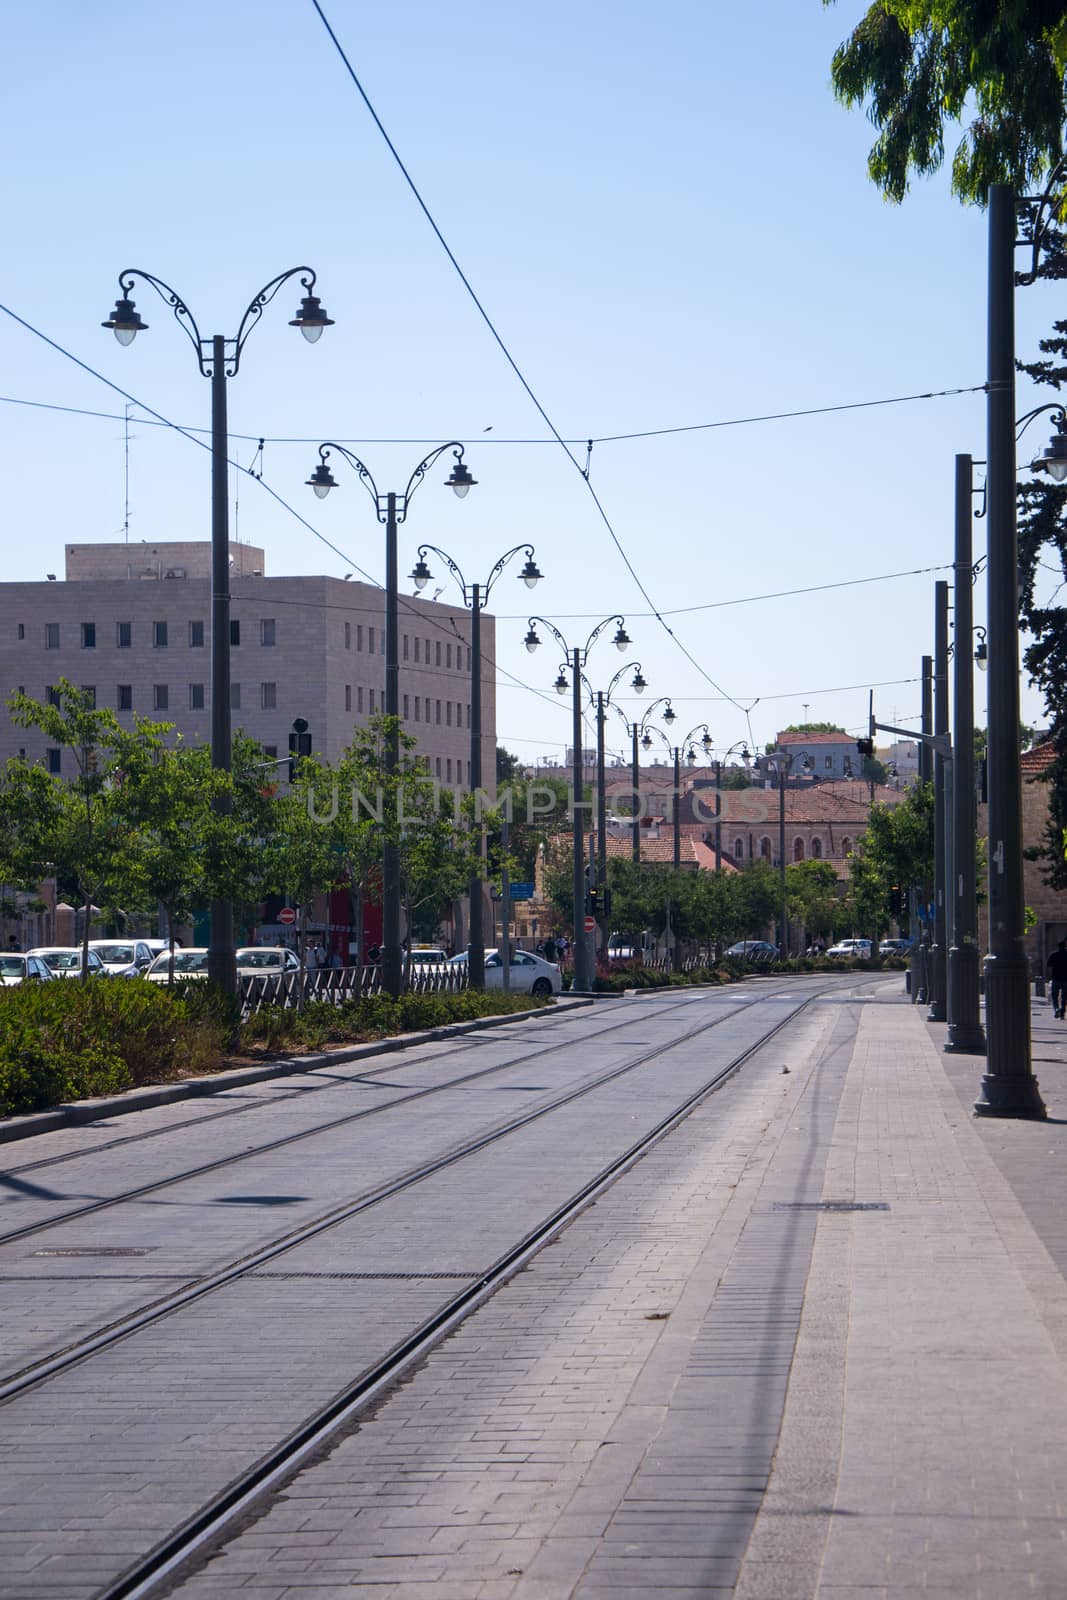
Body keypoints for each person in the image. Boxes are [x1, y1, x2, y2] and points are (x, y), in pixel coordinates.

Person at [1047, 939, 1067, 1019]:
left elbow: (1049, 965)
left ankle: (1056, 1009)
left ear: (1058, 947)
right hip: (1066, 979)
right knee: (1064, 997)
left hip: (1056, 978)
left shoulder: (1054, 955)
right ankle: (1062, 1012)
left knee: (1054, 996)